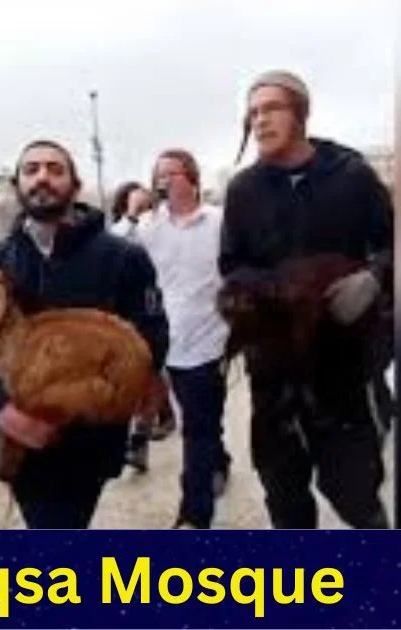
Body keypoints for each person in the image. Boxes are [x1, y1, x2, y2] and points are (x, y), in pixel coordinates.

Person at [0, 140, 169, 528]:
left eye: (55, 169)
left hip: (88, 443)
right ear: (17, 183)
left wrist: (76, 400)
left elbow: (152, 342)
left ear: (75, 183)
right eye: (32, 169)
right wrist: (3, 409)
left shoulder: (123, 259)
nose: (42, 178)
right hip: (12, 436)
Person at [221, 70, 393, 528]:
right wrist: (265, 292)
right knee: (286, 500)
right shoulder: (243, 191)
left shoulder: (352, 176)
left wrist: (375, 278)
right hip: (274, 374)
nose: (259, 121)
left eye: (270, 108)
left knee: (357, 497)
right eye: (252, 113)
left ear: (301, 112)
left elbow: (389, 244)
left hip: (347, 370)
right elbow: (231, 265)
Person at [134, 150, 233, 528]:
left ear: (191, 177)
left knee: (198, 428)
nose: (163, 181)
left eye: (170, 174)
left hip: (211, 341)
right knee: (200, 420)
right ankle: (219, 460)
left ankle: (194, 514)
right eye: (157, 175)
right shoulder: (146, 228)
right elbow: (117, 256)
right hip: (165, 344)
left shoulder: (219, 222)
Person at [108, 182, 178, 474]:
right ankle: (155, 422)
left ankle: (140, 438)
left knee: (151, 373)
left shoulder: (162, 225)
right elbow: (114, 244)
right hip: (127, 313)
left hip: (161, 307)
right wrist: (133, 215)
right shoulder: (119, 231)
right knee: (142, 377)